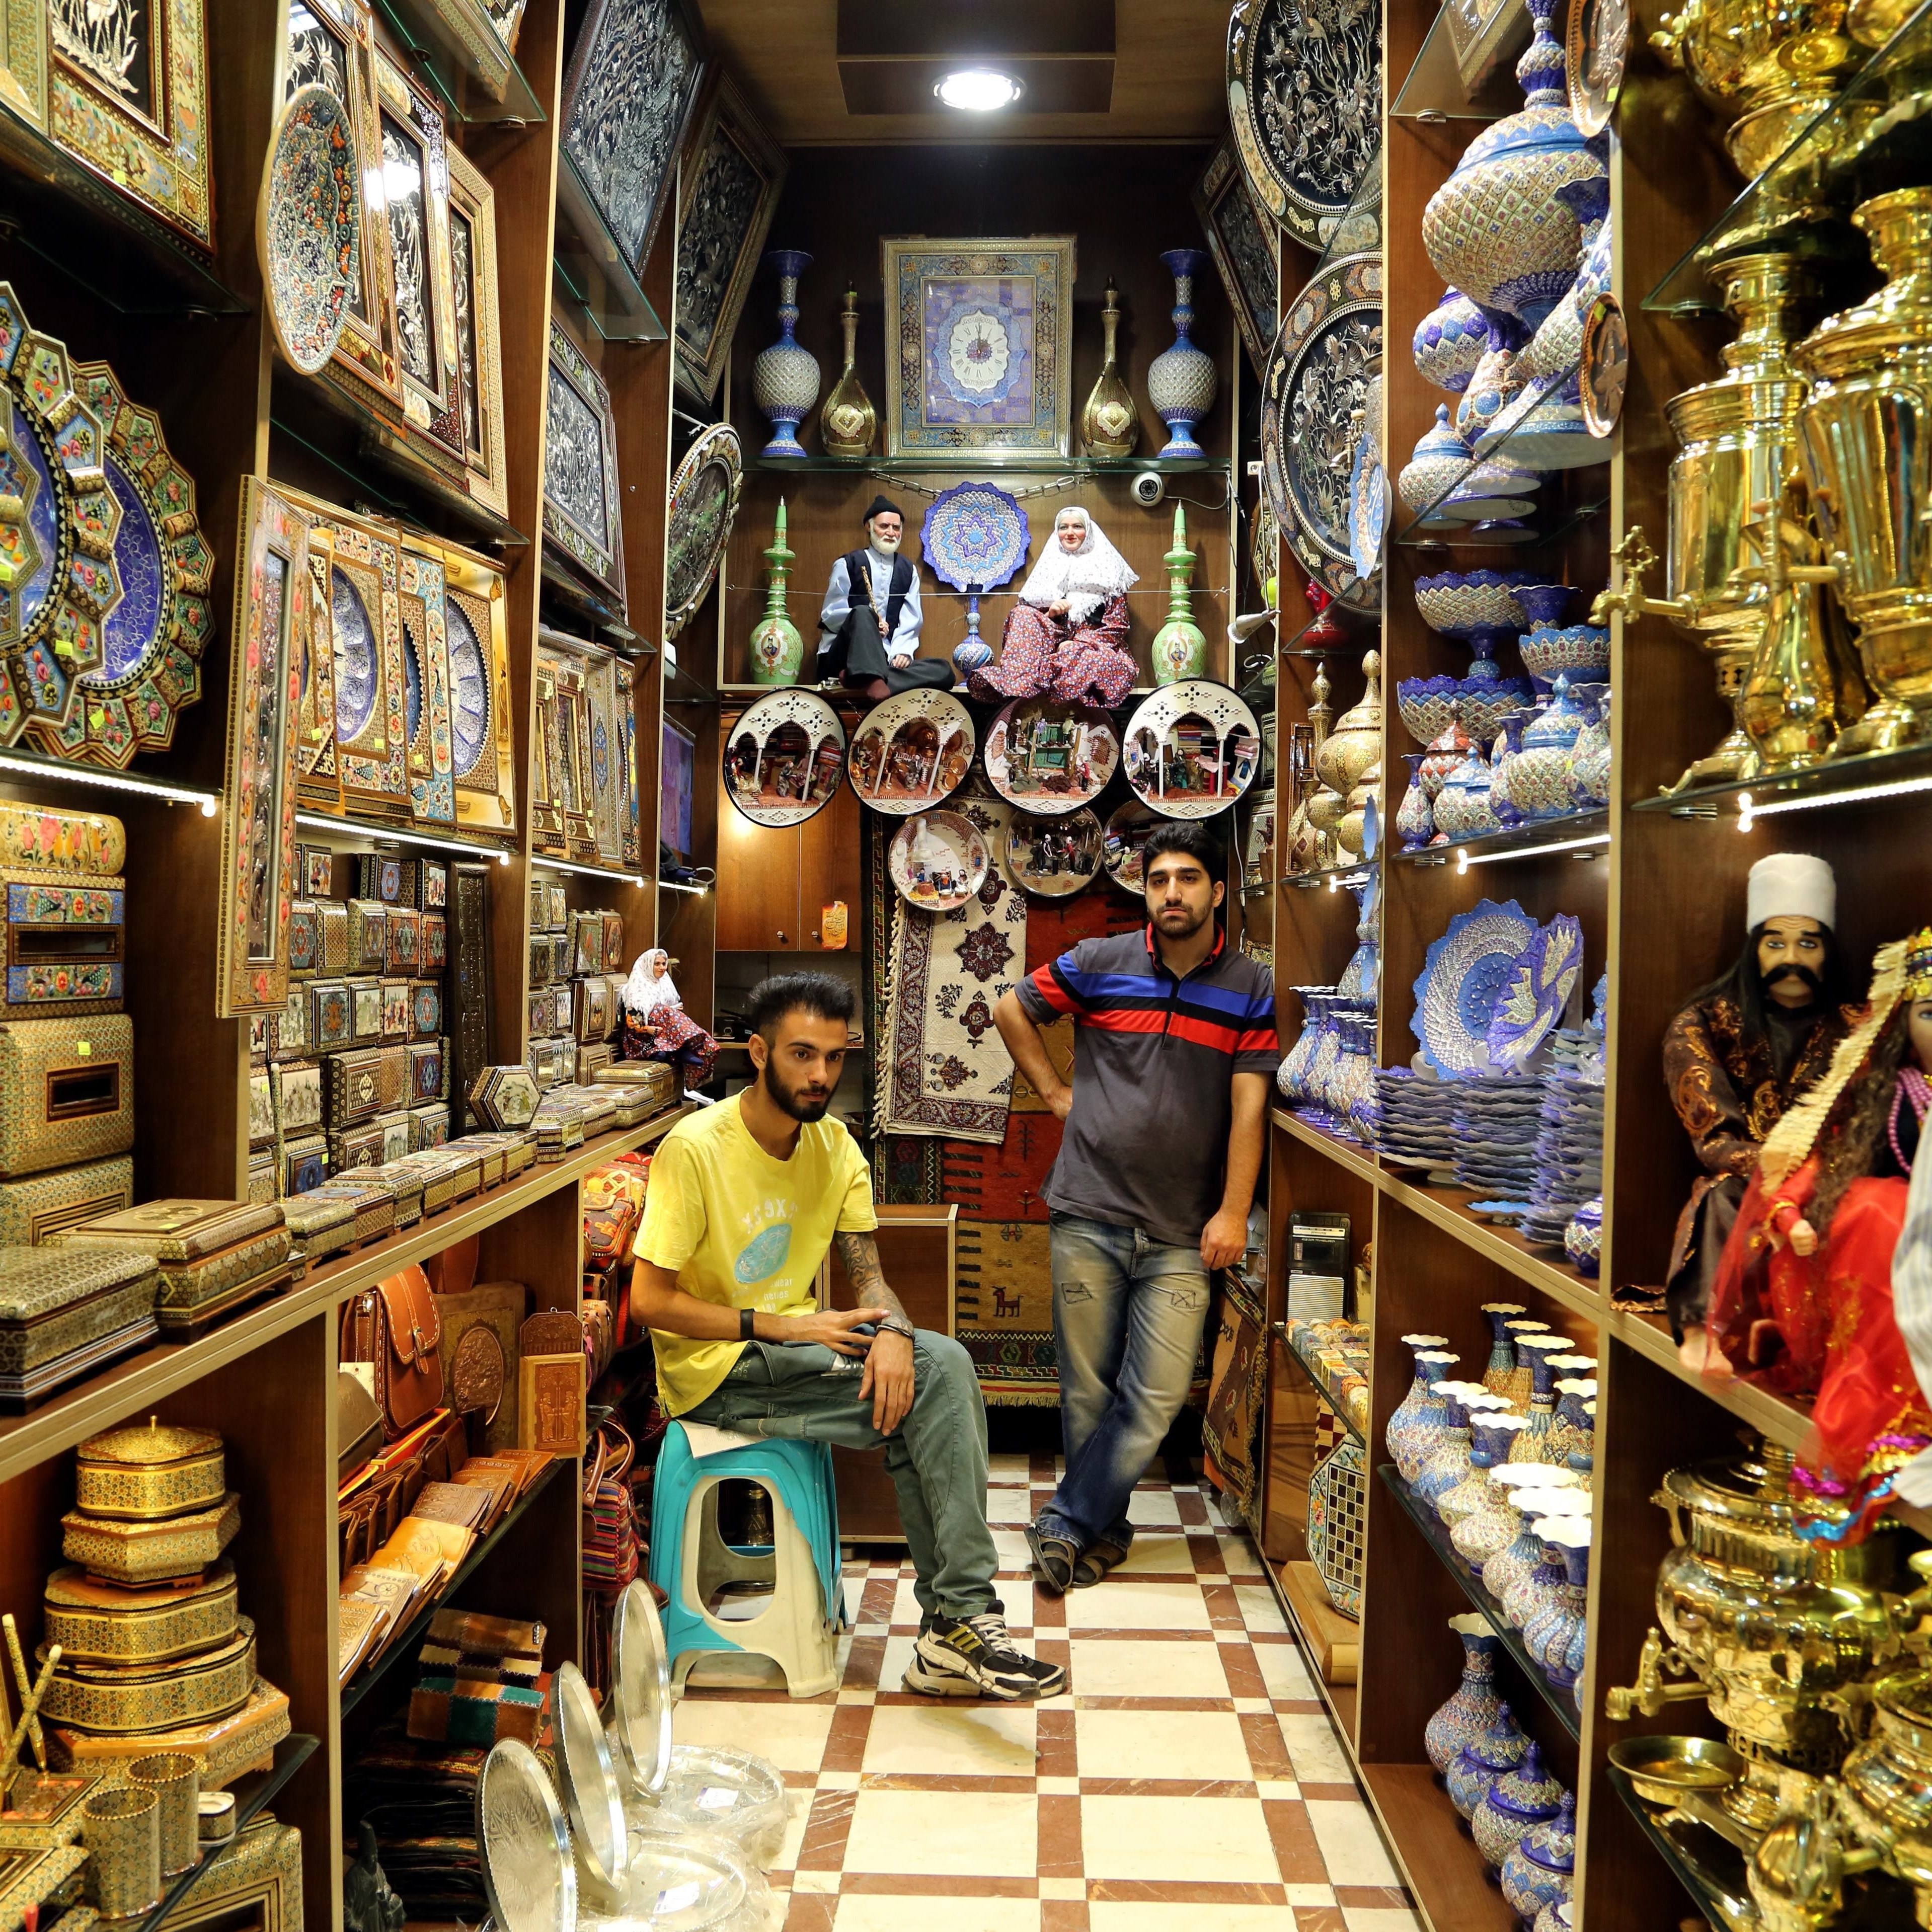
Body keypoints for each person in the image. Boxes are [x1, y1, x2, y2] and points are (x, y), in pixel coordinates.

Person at [631, 972, 1063, 1701]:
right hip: (716, 1372)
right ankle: (956, 1623)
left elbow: (869, 1278)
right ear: (760, 1051)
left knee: (923, 1375)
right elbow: (649, 1300)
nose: (821, 1074)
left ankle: (952, 1627)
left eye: (834, 1057)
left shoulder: (834, 1148)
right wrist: (781, 1323)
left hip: (794, 1356)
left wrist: (893, 1329)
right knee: (937, 1382)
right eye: (803, 1054)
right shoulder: (695, 1147)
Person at [992, 822, 1277, 1592]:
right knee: (1086, 1387)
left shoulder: (1249, 985)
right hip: (1086, 1209)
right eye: (1158, 880)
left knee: (1151, 1397)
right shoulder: (1099, 961)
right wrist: (1052, 1091)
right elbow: (1009, 1009)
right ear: (1144, 890)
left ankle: (1064, 1520)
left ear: (1217, 891)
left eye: (1187, 878)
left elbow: (1248, 1110)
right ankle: (1100, 1528)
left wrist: (1231, 1210)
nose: (1171, 893)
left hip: (1185, 1229)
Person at [1706, 927, 1932, 1530]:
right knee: (1877, 1215)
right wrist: (1787, 1213)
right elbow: (1819, 1159)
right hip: (1887, 1239)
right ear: (1901, 1022)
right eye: (1930, 1013)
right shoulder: (1888, 1093)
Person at [1661, 852, 1856, 1368]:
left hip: (1829, 1185)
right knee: (1724, 1196)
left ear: (1826, 951)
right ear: (1754, 949)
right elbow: (1714, 1141)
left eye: (1807, 943)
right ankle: (1703, 1330)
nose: (1790, 957)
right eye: (1775, 943)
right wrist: (1778, 1177)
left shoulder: (1860, 1028)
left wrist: (1818, 1179)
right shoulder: (1702, 1022)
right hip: (1744, 1179)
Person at [970, 506, 1139, 708]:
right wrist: (1051, 614)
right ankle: (1021, 683)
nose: (1070, 533)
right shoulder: (1050, 566)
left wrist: (1079, 644)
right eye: (1063, 527)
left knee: (1089, 660)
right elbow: (1035, 624)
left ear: (1089, 532)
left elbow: (1118, 626)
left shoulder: (1111, 572)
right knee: (1022, 614)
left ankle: (1053, 685)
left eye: (1077, 526)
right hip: (1053, 644)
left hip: (1094, 647)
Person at [818, 497, 952, 701]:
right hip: (843, 655)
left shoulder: (909, 571)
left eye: (896, 528)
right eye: (884, 526)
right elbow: (830, 615)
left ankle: (867, 679)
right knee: (863, 613)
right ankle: (867, 674)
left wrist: (903, 653)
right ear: (869, 527)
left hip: (885, 659)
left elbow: (912, 620)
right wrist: (870, 624)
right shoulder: (848, 564)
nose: (891, 533)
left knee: (943, 670)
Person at [620, 948, 717, 1093]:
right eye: (657, 964)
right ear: (647, 965)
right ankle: (678, 1049)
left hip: (661, 1034)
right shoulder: (637, 987)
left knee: (666, 1011)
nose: (661, 968)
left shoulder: (663, 984)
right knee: (663, 1011)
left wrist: (673, 1009)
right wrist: (648, 1029)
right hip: (641, 1039)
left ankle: (676, 1049)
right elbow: (633, 1020)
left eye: (664, 964)